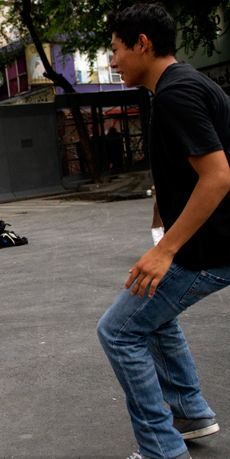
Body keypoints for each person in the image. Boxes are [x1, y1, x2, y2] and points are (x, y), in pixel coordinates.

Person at [96, 4, 230, 459]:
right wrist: (162, 235)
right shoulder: (181, 86)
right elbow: (184, 175)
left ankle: (160, 449)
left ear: (142, 43)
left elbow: (217, 176)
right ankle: (189, 413)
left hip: (210, 250)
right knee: (151, 313)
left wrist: (167, 250)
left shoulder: (176, 94)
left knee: (118, 331)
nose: (113, 61)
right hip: (207, 244)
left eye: (115, 50)